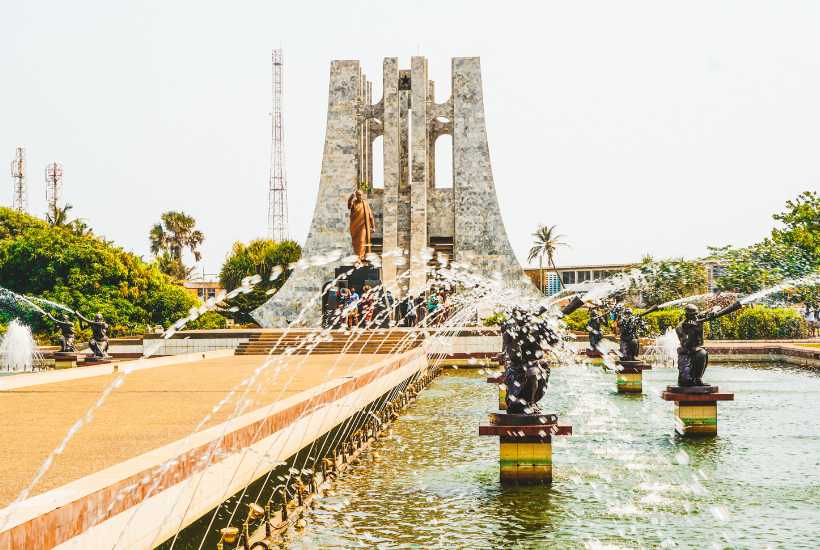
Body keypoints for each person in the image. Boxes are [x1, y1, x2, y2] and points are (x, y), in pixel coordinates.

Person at [676, 301, 742, 387]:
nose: (695, 317)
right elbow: (686, 345)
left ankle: (697, 379)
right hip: (687, 353)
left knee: (702, 353)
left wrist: (714, 311)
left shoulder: (699, 317)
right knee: (686, 379)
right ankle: (689, 379)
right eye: (692, 315)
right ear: (687, 316)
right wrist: (692, 332)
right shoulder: (680, 327)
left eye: (696, 314)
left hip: (699, 350)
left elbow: (717, 306)